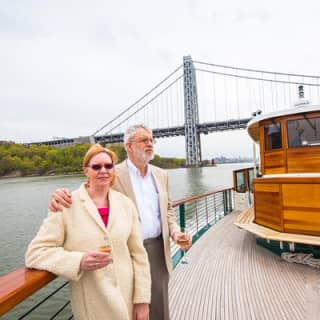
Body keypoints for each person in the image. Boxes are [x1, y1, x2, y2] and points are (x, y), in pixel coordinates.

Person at [49, 124, 192, 320]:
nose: (150, 143)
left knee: (159, 309)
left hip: (158, 249)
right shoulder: (110, 171)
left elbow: (168, 212)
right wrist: (61, 195)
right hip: (123, 252)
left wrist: (175, 232)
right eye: (144, 140)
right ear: (128, 146)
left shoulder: (161, 175)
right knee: (129, 308)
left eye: (151, 140)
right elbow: (87, 194)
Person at [26, 144, 151, 320]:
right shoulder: (66, 204)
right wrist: (78, 261)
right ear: (86, 171)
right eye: (96, 166)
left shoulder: (126, 204)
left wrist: (143, 300)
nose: (103, 170)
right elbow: (35, 253)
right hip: (92, 305)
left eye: (108, 166)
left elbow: (139, 255)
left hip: (128, 298)